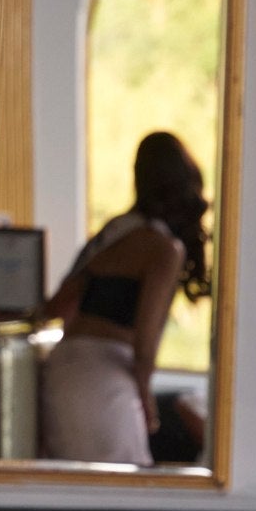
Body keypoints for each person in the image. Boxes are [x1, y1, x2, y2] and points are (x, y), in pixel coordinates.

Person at [40, 130, 212, 465]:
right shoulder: (164, 249)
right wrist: (146, 400)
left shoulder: (115, 231)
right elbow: (145, 345)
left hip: (62, 373)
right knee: (123, 484)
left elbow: (56, 305)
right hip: (105, 381)